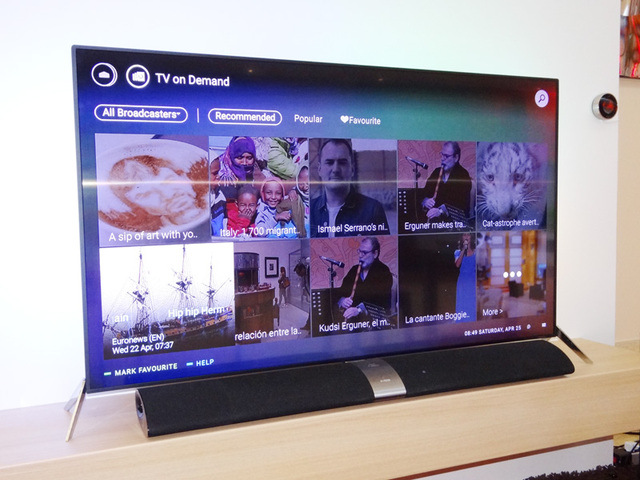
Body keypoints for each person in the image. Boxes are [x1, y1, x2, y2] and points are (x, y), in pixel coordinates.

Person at [310, 139, 390, 237]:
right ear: (319, 169)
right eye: (329, 162)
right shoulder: (309, 211)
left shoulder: (373, 210)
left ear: (352, 169)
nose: (335, 169)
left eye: (342, 162)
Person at [336, 237, 393, 320]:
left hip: (375, 321)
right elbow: (342, 291)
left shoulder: (383, 271)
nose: (360, 256)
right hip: (353, 321)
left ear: (375, 253)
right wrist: (342, 301)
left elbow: (381, 301)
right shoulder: (354, 270)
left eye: (364, 253)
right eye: (359, 251)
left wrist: (359, 310)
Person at [421, 141, 472, 224]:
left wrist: (440, 211)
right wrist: (426, 201)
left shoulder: (463, 175)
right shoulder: (436, 172)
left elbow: (461, 204)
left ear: (456, 158)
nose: (442, 159)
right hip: (435, 222)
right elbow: (425, 192)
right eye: (442, 154)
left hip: (454, 223)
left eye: (446, 156)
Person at [277, 165, 310, 237]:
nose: (305, 187)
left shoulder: (325, 199)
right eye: (301, 184)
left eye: (308, 183)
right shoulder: (293, 198)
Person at [454, 232, 477, 322]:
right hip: (463, 281)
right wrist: (464, 249)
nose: (466, 236)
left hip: (472, 280)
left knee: (471, 303)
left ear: (471, 237)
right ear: (462, 237)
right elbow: (457, 264)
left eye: (468, 235)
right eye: (464, 235)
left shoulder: (476, 251)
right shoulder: (457, 252)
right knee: (462, 303)